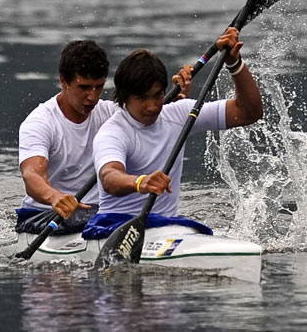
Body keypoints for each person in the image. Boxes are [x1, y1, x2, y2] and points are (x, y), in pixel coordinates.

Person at [83, 27, 263, 237]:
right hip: (115, 226)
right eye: (142, 98)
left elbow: (249, 112)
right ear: (124, 97)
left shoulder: (180, 113)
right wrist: (140, 182)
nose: (152, 106)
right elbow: (109, 177)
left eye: (157, 95)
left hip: (166, 227)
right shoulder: (112, 132)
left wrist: (234, 64)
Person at [16, 40, 192, 235]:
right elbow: (32, 175)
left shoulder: (110, 113)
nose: (92, 97)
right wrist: (55, 197)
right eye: (84, 87)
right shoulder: (40, 123)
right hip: (43, 215)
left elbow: (146, 110)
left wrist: (175, 94)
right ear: (63, 81)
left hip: (93, 214)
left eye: (98, 87)